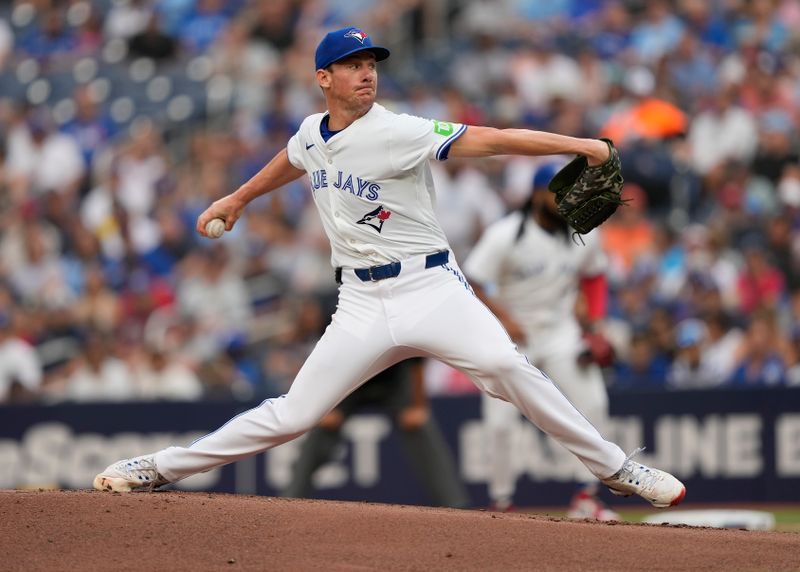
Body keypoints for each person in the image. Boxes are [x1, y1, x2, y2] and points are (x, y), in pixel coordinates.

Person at [94, 26, 686, 511]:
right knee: (292, 415)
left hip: (430, 286)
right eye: (352, 64)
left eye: (371, 62)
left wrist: (579, 146)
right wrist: (239, 198)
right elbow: (293, 157)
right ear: (324, 78)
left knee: (506, 364)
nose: (367, 72)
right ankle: (160, 468)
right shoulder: (311, 133)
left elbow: (492, 138)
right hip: (358, 303)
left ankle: (617, 469)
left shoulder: (397, 131)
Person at [463, 163, 622, 519]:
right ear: (537, 195)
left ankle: (587, 496)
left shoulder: (584, 232)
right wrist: (503, 319)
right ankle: (502, 503)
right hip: (511, 339)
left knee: (593, 405)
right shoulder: (505, 234)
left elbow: (595, 276)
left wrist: (594, 326)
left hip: (561, 333)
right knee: (500, 424)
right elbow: (469, 280)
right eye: (560, 193)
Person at [282, 358, 469, 508]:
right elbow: (326, 357)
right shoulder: (334, 310)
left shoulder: (399, 311)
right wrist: (324, 403)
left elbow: (416, 355)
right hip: (350, 379)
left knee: (419, 426)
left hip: (394, 377)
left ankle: (456, 506)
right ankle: (290, 500)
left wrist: (418, 404)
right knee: (322, 428)